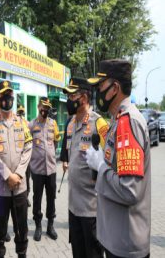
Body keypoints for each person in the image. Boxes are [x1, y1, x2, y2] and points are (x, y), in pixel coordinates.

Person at [86, 59, 151, 258]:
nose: (96, 91)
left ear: (114, 88)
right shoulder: (117, 120)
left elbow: (130, 190)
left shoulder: (128, 122)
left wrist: (100, 166)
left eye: (100, 85)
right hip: (116, 238)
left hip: (125, 244)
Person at [0, 80, 33, 258]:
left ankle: (22, 254)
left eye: (10, 96)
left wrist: (19, 174)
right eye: (4, 96)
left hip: (20, 188)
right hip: (0, 190)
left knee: (21, 230)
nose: (8, 99)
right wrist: (7, 176)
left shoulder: (22, 123)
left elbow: (28, 147)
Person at [63, 77, 108, 258]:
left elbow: (109, 163)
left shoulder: (99, 124)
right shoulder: (71, 124)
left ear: (84, 98)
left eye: (73, 95)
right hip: (74, 207)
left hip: (92, 209)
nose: (69, 100)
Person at [28, 97, 61, 241]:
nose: (45, 110)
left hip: (51, 169)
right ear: (38, 106)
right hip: (37, 170)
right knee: (37, 198)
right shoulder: (31, 125)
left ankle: (50, 226)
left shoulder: (53, 124)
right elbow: (28, 146)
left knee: (51, 198)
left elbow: (55, 142)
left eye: (47, 107)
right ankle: (38, 226)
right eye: (43, 107)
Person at [16, 105, 31, 207]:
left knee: (27, 178)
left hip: (26, 157)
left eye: (22, 113)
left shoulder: (28, 124)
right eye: (19, 112)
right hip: (17, 157)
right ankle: (20, 198)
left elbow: (30, 140)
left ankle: (26, 197)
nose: (21, 114)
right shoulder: (14, 123)